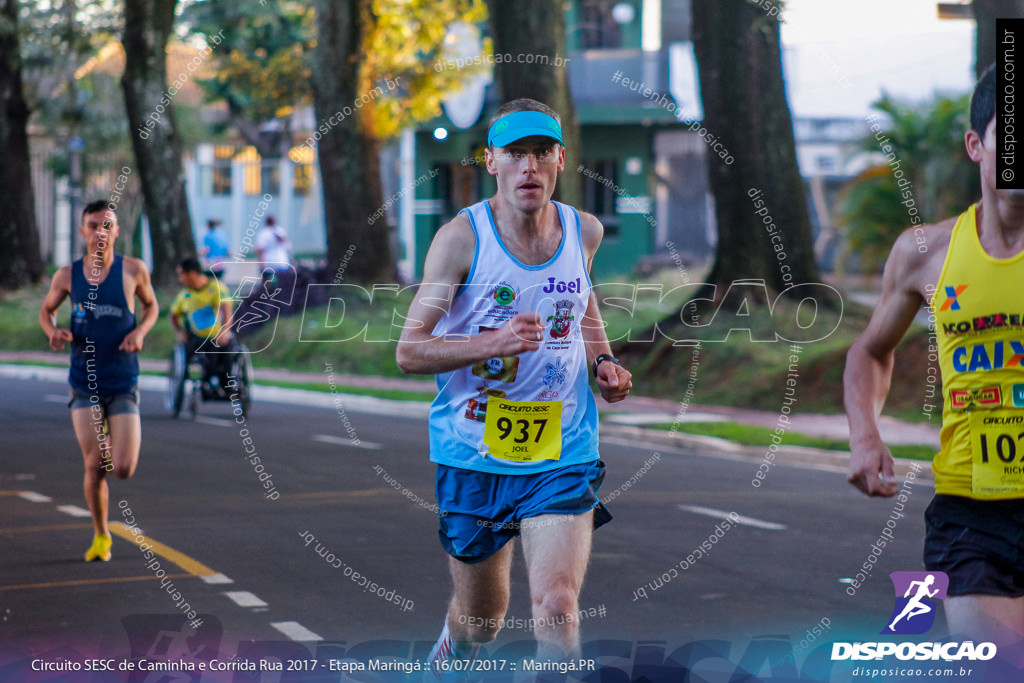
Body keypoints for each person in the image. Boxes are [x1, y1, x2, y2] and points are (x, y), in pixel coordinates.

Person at [396, 98, 632, 667]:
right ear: (491, 162)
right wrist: (489, 343)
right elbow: (408, 351)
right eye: (515, 154)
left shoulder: (585, 230)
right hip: (472, 453)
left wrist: (602, 360)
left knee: (556, 605)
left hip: (560, 445)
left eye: (541, 153)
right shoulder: (461, 239)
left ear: (560, 159)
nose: (529, 166)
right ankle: (450, 655)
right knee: (482, 621)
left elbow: (583, 302)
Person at [845, 64, 1024, 647]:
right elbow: (871, 351)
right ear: (976, 145)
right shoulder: (925, 253)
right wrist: (866, 435)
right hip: (972, 514)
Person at [39, 200, 159, 562]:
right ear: (82, 231)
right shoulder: (67, 276)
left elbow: (152, 306)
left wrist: (140, 331)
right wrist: (53, 332)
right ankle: (102, 535)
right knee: (94, 466)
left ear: (116, 231)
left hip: (122, 381)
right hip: (84, 382)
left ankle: (108, 441)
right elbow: (46, 310)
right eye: (93, 226)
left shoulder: (132, 270)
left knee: (122, 467)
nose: (100, 233)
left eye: (107, 226)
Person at [170, 257, 235, 396]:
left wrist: (225, 331)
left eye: (181, 275)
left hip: (217, 336)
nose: (180, 280)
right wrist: (180, 333)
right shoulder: (184, 295)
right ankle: (196, 378)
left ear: (192, 274)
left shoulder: (217, 288)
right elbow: (173, 315)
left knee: (228, 350)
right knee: (188, 351)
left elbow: (227, 312)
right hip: (196, 337)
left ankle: (227, 383)